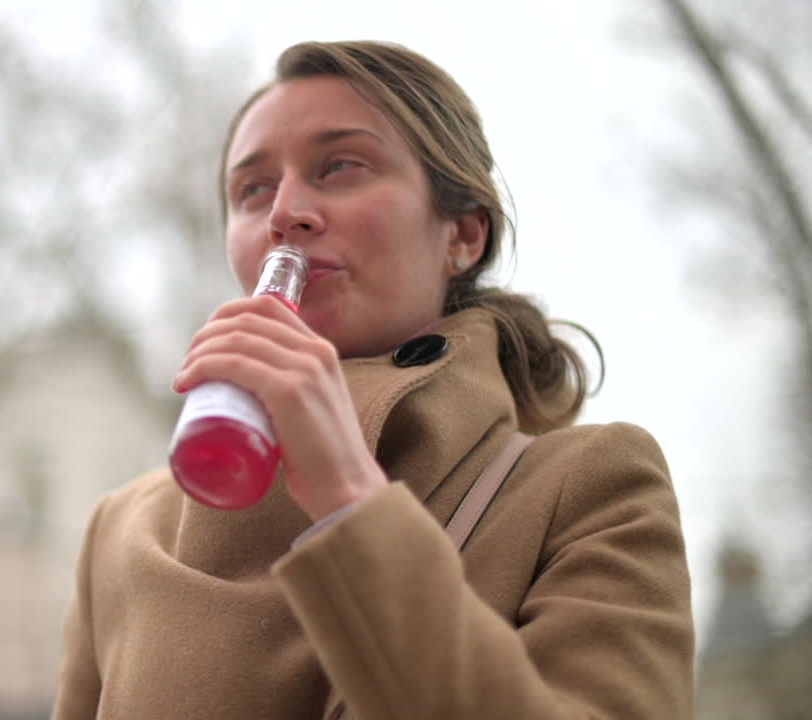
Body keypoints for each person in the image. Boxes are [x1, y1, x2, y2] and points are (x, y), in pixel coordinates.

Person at [51, 40, 694, 719]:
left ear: (463, 236)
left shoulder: (585, 487)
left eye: (340, 167)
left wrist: (349, 496)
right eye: (252, 189)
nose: (285, 213)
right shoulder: (121, 530)